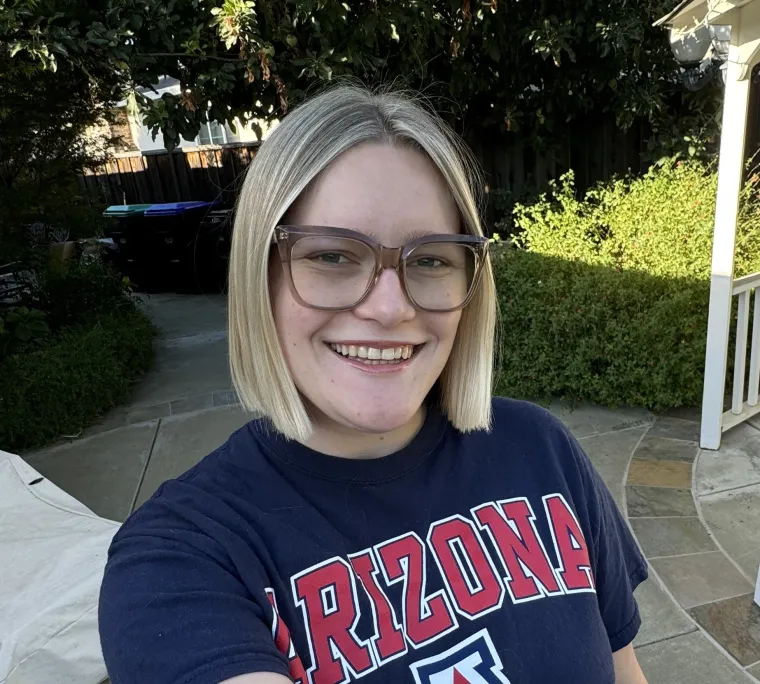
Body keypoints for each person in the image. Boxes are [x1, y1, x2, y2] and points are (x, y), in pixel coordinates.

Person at [99, 84, 649, 684]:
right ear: (260, 276)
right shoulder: (182, 557)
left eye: (431, 259)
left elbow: (624, 670)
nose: (389, 308)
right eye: (333, 256)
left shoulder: (540, 450)